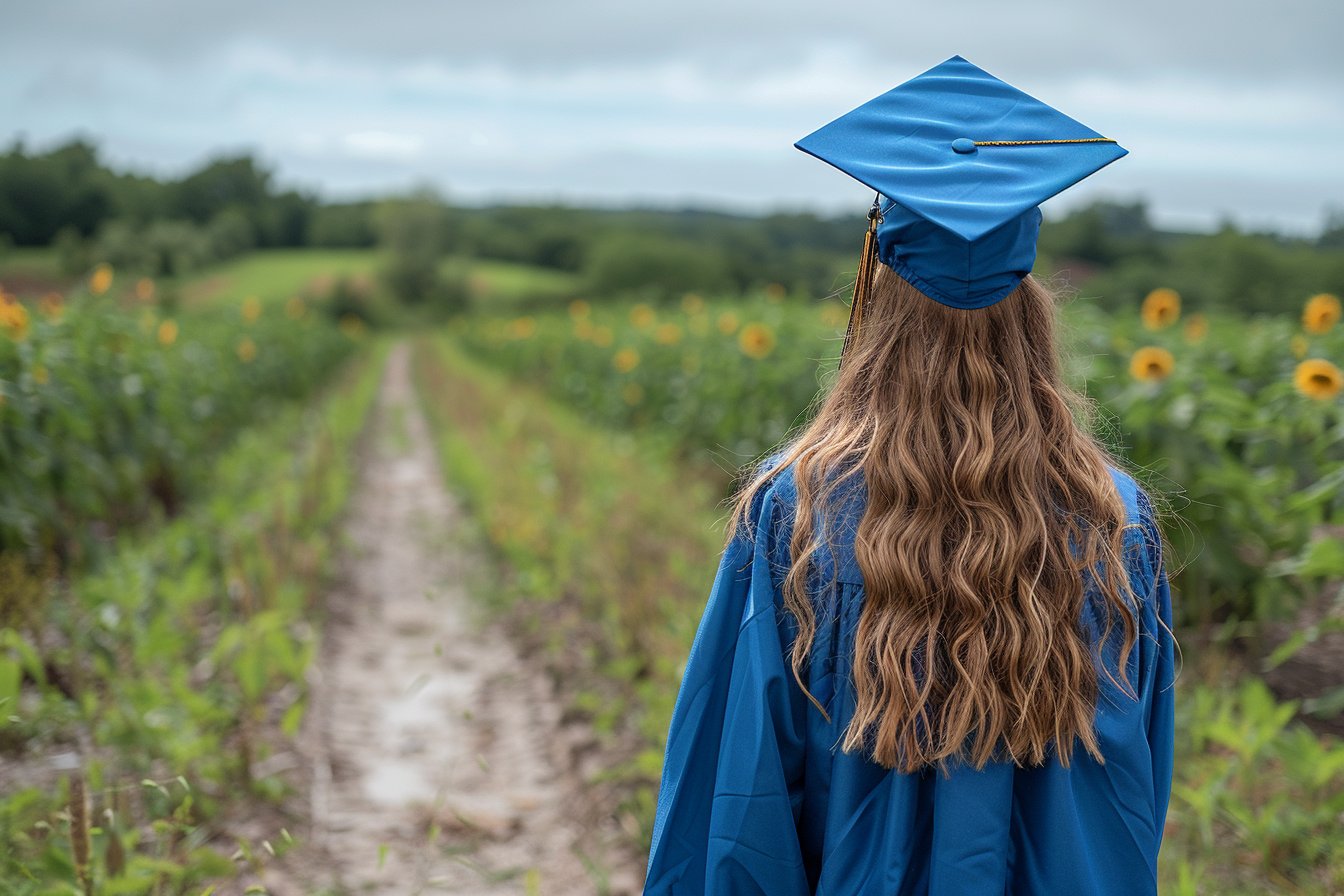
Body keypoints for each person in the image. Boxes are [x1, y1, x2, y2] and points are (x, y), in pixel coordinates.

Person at [642, 56, 1176, 896]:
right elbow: (1139, 782)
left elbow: (738, 784)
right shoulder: (1116, 520)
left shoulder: (799, 510)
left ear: (879, 294)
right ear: (1031, 308)